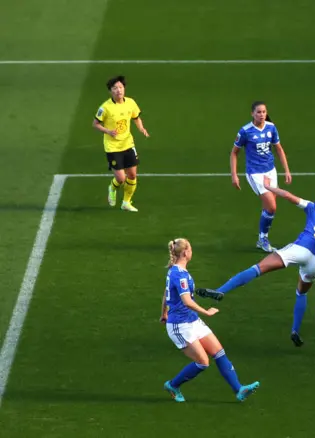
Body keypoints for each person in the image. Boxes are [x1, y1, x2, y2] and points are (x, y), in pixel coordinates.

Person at [199, 177, 315, 347]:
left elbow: (288, 196)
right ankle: (295, 330)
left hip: (301, 248)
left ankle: (221, 291)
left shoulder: (313, 207)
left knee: (259, 268)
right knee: (301, 293)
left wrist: (269, 187)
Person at [161, 238, 260, 403]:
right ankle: (173, 385)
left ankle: (239, 389)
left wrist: (163, 312)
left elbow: (166, 293)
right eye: (190, 248)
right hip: (180, 326)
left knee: (218, 351)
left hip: (192, 320)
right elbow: (186, 301)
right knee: (203, 362)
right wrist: (206, 312)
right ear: (185, 253)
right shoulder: (180, 275)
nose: (192, 251)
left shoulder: (174, 271)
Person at [230, 101, 292, 252]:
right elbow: (234, 153)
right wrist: (234, 175)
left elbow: (279, 149)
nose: (262, 115)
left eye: (264, 112)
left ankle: (262, 239)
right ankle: (263, 239)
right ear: (252, 114)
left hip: (270, 171)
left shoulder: (271, 128)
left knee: (268, 208)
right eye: (258, 112)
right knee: (272, 206)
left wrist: (287, 170)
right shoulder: (245, 131)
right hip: (255, 172)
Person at [93, 75, 149, 212]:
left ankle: (126, 202)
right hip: (112, 147)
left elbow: (136, 117)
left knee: (132, 175)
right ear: (110, 91)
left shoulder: (130, 102)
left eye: (121, 87)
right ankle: (112, 188)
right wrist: (108, 131)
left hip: (128, 144)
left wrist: (141, 128)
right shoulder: (105, 107)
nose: (119, 90)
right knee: (121, 178)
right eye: (115, 88)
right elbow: (95, 124)